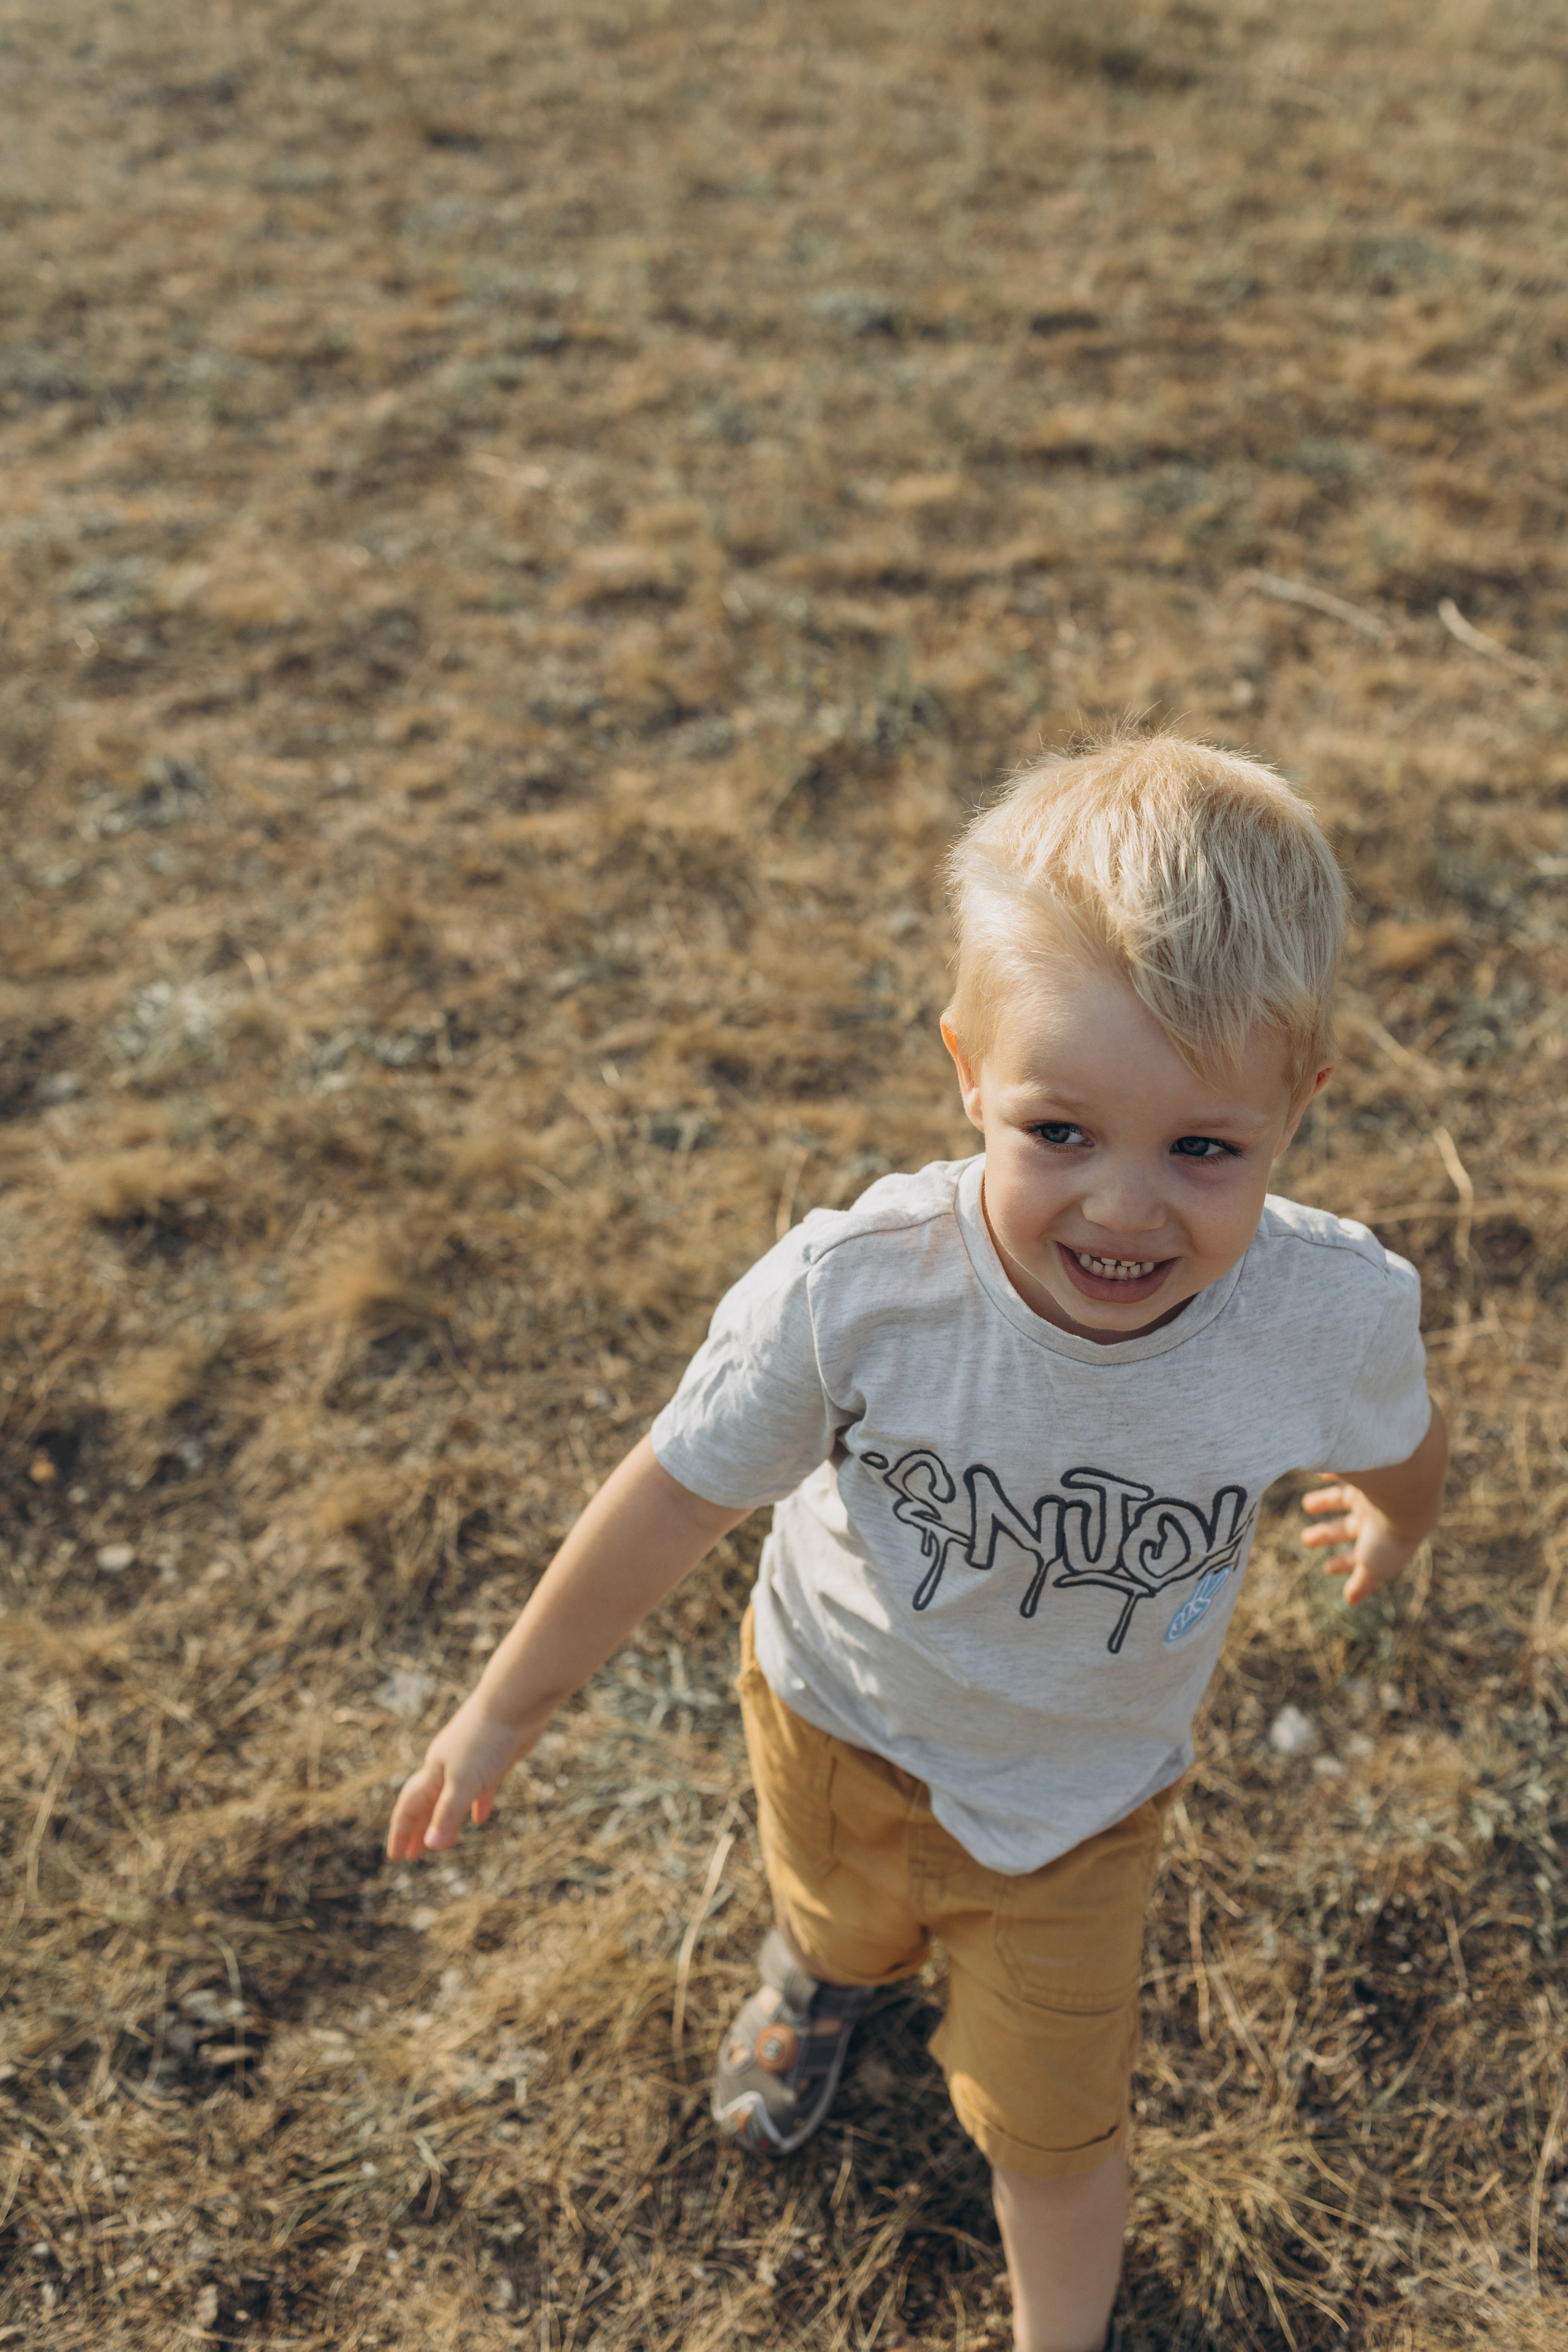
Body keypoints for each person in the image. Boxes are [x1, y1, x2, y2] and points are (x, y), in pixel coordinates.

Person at [386, 732, 1447, 2352]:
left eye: (1203, 1148)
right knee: (838, 1918)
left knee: (1057, 2131)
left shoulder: (1330, 1315)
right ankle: (817, 1981)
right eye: (1060, 1131)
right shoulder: (858, 1292)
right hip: (839, 1713)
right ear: (970, 1071)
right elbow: (677, 1489)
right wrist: (505, 1704)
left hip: (1081, 1811)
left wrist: (1394, 1514)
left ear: (1299, 1107)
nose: (1124, 1208)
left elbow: (1400, 1437)